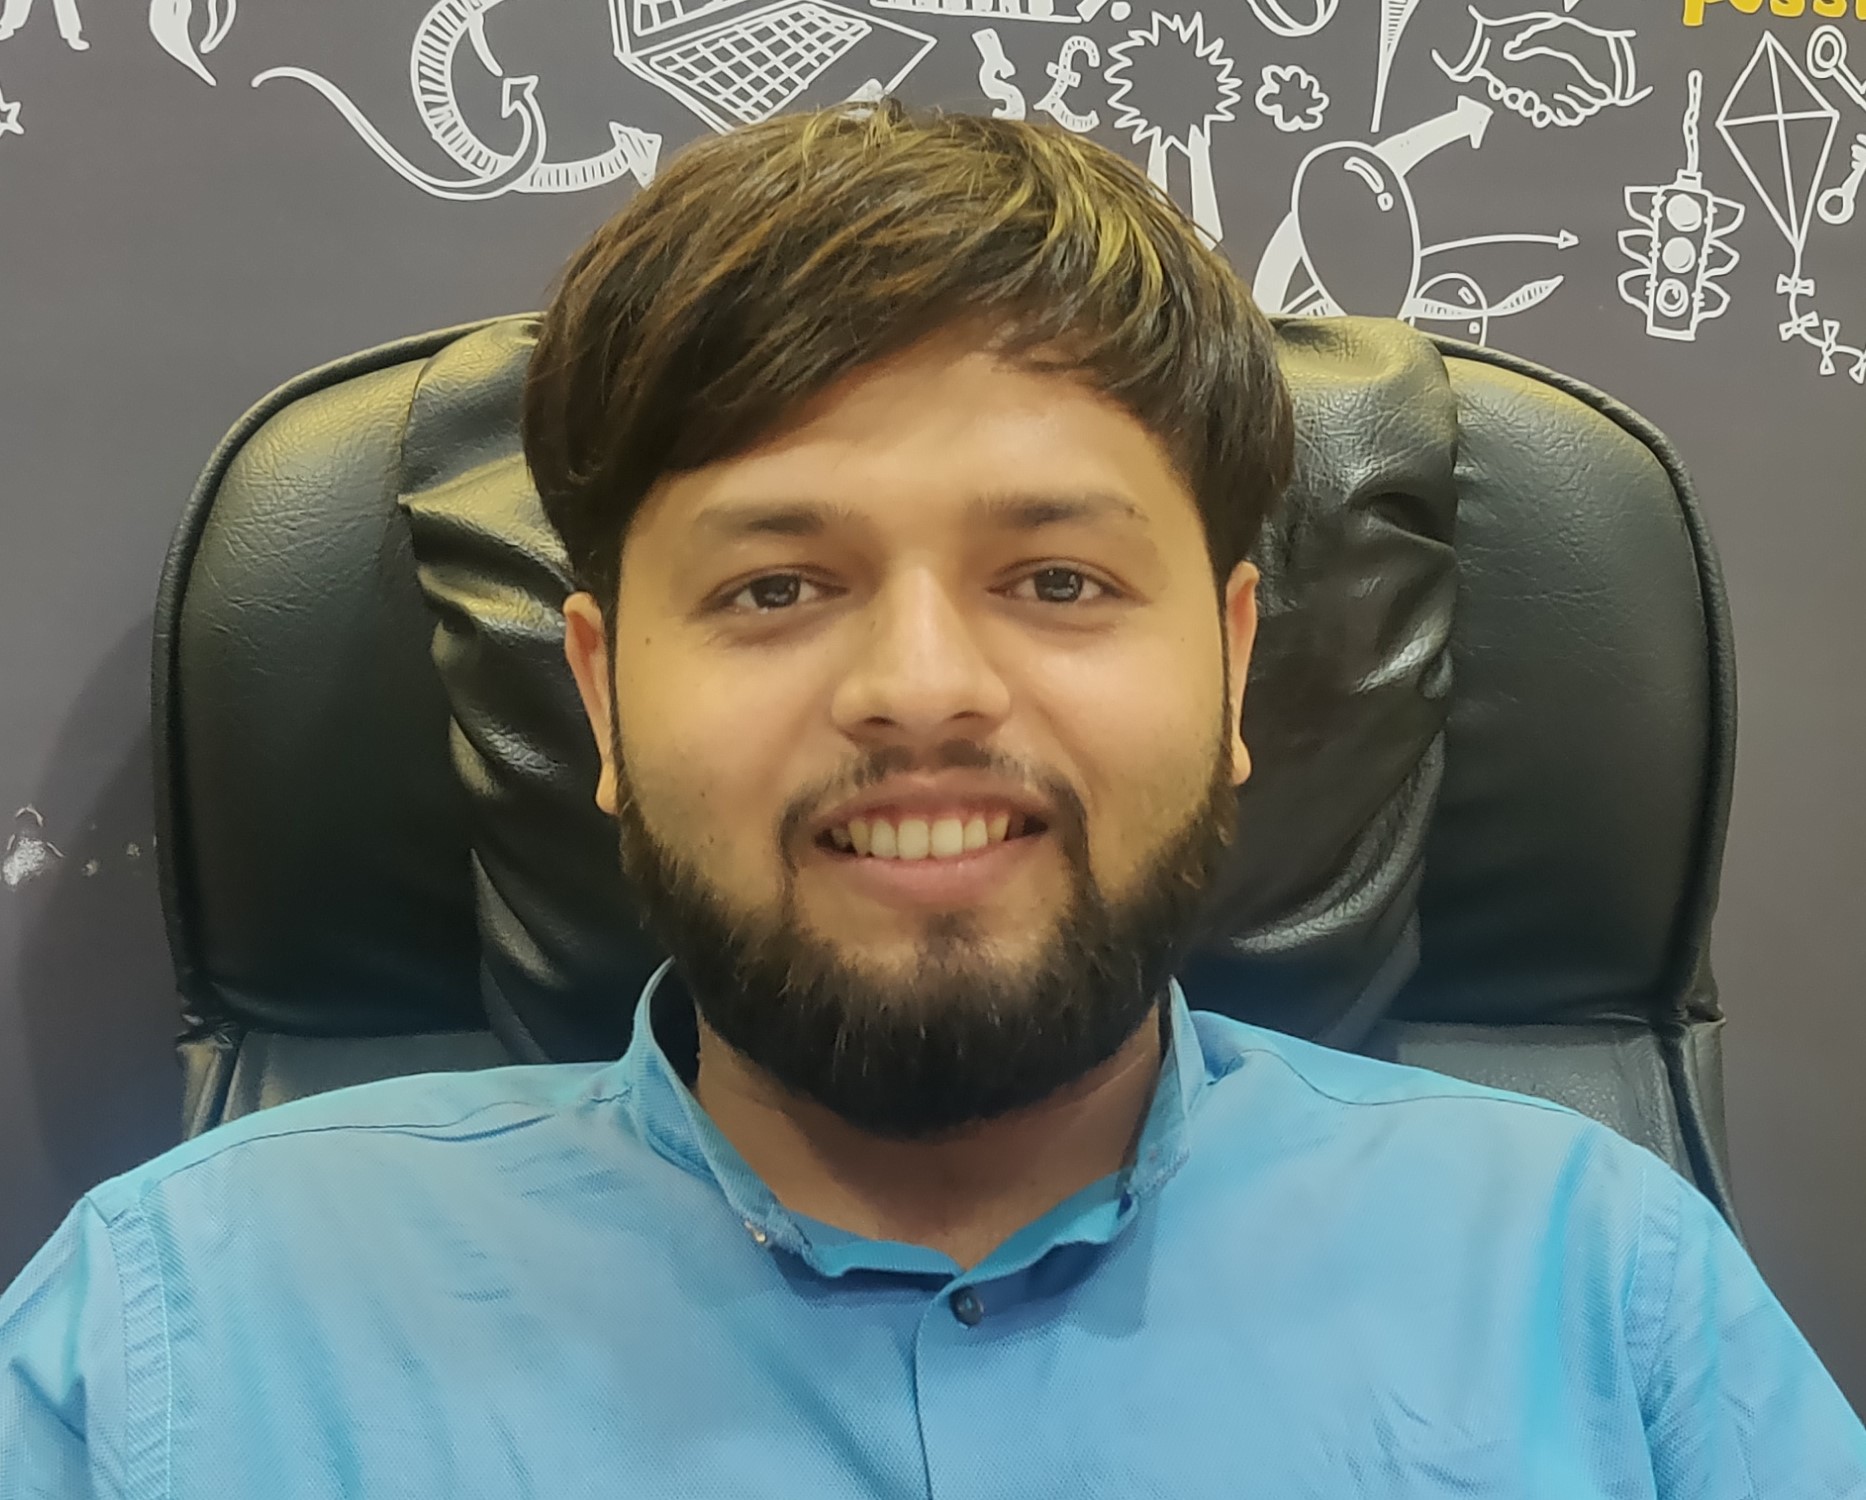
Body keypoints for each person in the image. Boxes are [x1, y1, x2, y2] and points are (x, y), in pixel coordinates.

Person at [3, 98, 1864, 1498]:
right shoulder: (180, 1332)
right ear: (600, 693)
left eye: (1057, 578)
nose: (918, 687)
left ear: (1232, 669)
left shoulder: (1595, 1284)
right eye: (772, 587)